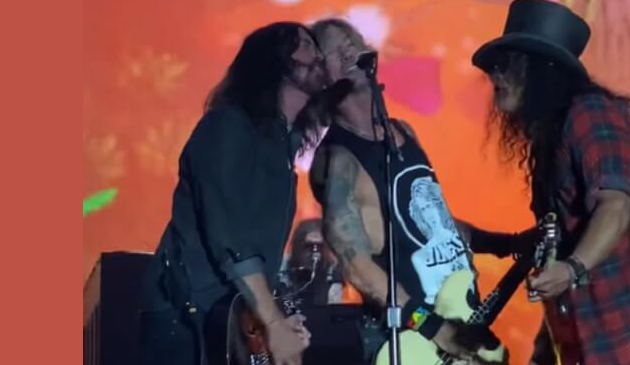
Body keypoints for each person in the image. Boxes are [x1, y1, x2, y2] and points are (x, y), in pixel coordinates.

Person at [471, 0, 630, 365]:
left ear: (540, 72)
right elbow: (568, 235)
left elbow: (615, 205)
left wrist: (572, 269)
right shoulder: (551, 140)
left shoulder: (589, 113)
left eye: (505, 66)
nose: (495, 77)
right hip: (618, 322)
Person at [307, 18, 536, 363]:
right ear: (319, 77)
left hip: (460, 323)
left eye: (351, 42)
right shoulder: (339, 160)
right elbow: (357, 266)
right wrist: (433, 327)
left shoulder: (403, 132)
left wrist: (509, 244)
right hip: (418, 341)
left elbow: (434, 225)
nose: (348, 51)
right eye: (334, 51)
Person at [138, 22, 342, 365]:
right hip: (187, 318)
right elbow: (230, 238)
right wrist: (272, 323)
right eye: (305, 45)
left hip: (230, 313)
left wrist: (274, 317)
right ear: (274, 61)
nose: (318, 55)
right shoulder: (228, 126)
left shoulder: (283, 144)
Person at [278, 218, 345, 306]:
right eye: (309, 246)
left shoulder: (333, 272)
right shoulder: (282, 266)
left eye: (319, 246)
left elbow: (333, 305)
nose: (315, 251)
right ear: (298, 246)